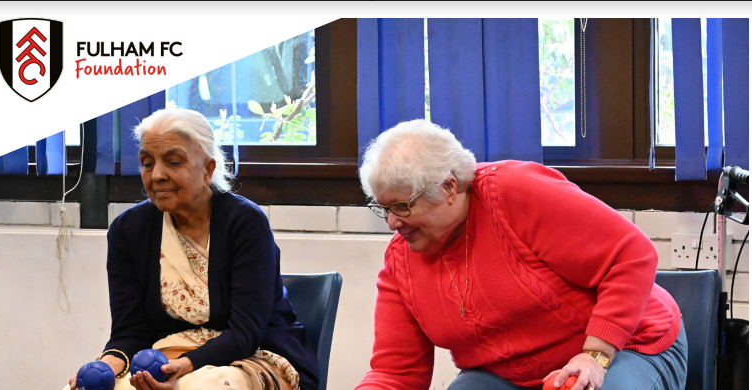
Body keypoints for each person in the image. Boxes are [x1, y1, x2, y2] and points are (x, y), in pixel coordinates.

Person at [354, 120, 687, 390]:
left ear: (449, 187)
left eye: (403, 206)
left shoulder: (514, 192)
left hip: (624, 347)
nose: (392, 223)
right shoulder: (401, 262)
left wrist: (595, 356)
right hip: (507, 376)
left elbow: (632, 255)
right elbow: (395, 374)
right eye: (383, 208)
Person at [67, 108, 318, 390]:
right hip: (164, 356)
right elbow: (130, 329)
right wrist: (109, 363)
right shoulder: (128, 230)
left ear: (208, 169)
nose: (157, 175)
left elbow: (246, 333)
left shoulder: (245, 223)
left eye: (173, 162)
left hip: (253, 356)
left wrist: (184, 366)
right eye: (147, 163)